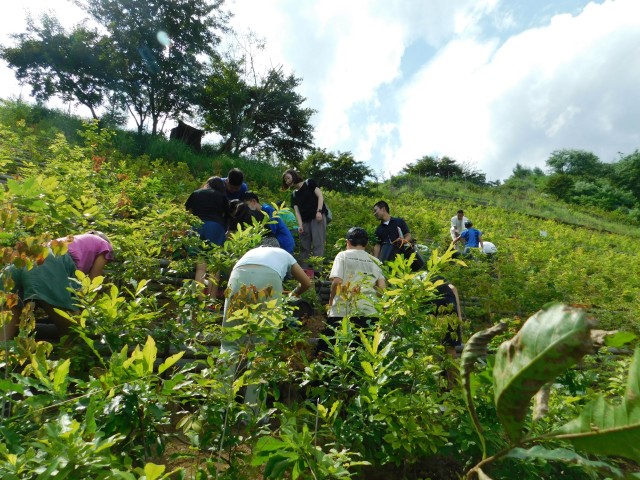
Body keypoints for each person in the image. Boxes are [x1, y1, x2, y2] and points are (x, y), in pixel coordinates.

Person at [220, 244, 311, 415]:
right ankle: (252, 413)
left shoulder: (249, 252)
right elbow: (306, 283)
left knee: (230, 344)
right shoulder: (283, 253)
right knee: (262, 349)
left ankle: (217, 406)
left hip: (238, 275)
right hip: (269, 279)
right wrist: (292, 296)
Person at [1, 231, 114, 341]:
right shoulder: (104, 246)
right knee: (73, 329)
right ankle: (71, 359)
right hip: (45, 265)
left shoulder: (66, 243)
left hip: (18, 265)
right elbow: (91, 286)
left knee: (9, 318)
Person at [319, 227, 386, 353]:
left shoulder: (343, 256)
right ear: (366, 244)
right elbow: (381, 289)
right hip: (369, 312)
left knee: (331, 353)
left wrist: (331, 302)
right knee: (364, 354)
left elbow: (337, 282)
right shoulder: (376, 261)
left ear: (347, 242)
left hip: (342, 310)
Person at [185, 176, 230, 297]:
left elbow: (188, 213)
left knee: (200, 267)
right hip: (216, 228)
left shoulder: (196, 193)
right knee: (215, 267)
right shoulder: (222, 197)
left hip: (197, 226)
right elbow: (227, 215)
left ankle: (198, 299)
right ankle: (211, 300)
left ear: (207, 184)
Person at [282, 169, 327, 269]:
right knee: (304, 248)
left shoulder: (309, 183)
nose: (287, 181)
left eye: (288, 178)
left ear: (294, 175)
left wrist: (319, 211)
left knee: (318, 245)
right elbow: (297, 212)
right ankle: (303, 274)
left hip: (317, 218)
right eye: (285, 180)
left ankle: (317, 273)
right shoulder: (294, 194)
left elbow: (320, 196)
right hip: (305, 222)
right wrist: (300, 225)